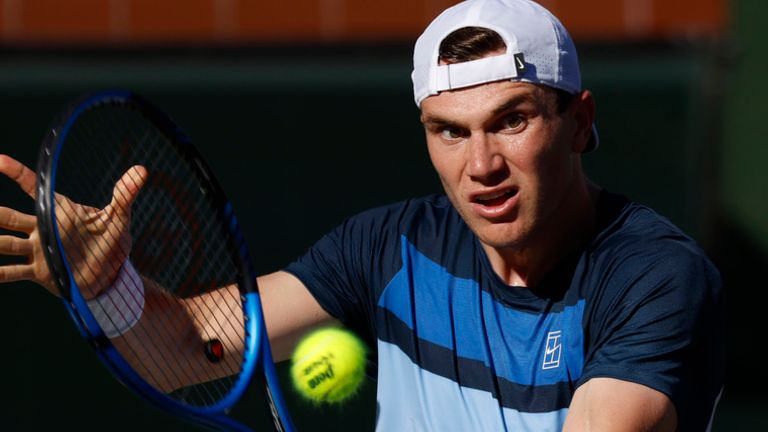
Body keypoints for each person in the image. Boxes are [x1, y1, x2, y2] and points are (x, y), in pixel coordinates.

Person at [0, 0, 724, 430]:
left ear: (580, 121)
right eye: (450, 130)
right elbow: (186, 349)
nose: (481, 166)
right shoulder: (389, 249)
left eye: (511, 121)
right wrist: (106, 286)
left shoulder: (655, 278)